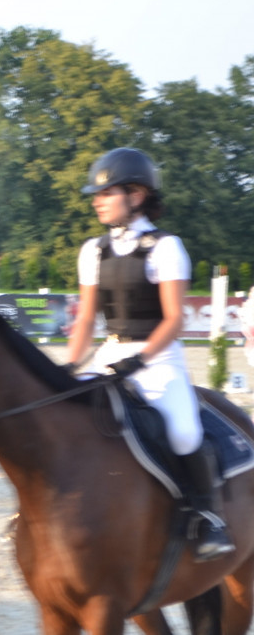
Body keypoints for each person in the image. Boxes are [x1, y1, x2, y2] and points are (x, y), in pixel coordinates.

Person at [64, 147, 234, 562]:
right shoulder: (93, 251)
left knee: (183, 431)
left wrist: (140, 360)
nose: (96, 200)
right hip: (110, 353)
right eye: (96, 194)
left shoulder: (166, 247)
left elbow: (175, 319)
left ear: (136, 195)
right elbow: (86, 319)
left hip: (158, 359)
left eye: (106, 193)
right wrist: (69, 366)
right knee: (66, 419)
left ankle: (207, 517)